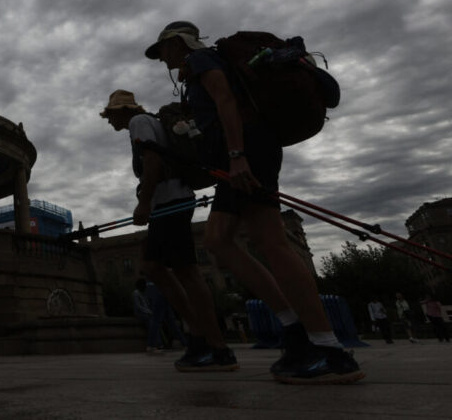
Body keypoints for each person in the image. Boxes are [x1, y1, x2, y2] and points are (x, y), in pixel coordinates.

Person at [145, 21, 363, 384]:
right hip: (237, 159)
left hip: (247, 153)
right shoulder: (195, 72)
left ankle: (328, 349)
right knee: (218, 240)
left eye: (162, 49)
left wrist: (236, 155)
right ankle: (293, 330)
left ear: (176, 43)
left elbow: (226, 99)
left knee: (270, 240)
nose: (161, 57)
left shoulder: (201, 60)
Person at [102, 89, 236, 371]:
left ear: (122, 111)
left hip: (169, 200)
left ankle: (213, 345)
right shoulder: (147, 121)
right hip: (172, 199)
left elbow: (153, 161)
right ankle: (200, 335)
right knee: (152, 266)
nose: (109, 120)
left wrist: (144, 203)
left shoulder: (138, 122)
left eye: (110, 114)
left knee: (185, 270)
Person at [132, 277, 163, 354]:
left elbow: (146, 304)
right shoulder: (136, 293)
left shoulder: (143, 293)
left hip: (146, 313)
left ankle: (158, 343)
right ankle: (156, 344)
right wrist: (149, 312)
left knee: (155, 322)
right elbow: (138, 306)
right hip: (141, 314)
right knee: (151, 323)